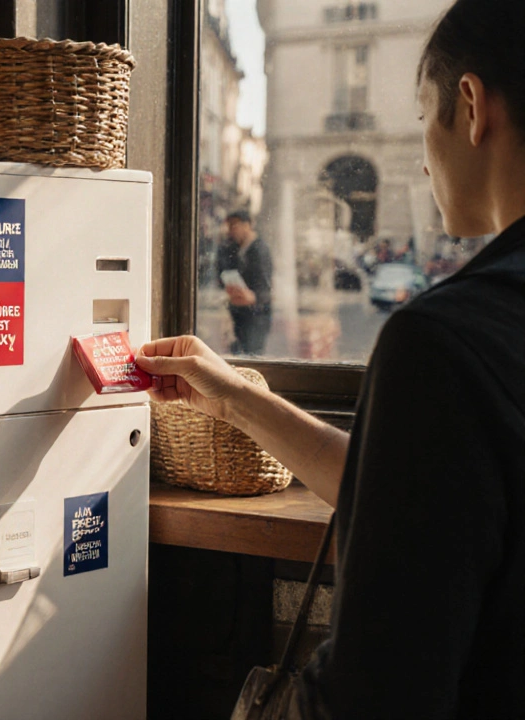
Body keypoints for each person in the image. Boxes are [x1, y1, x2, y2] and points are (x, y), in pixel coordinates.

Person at [136, 0, 525, 716]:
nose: (423, 148)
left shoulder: (442, 341)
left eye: (422, 114)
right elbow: (419, 495)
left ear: (470, 106)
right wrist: (236, 399)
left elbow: (375, 691)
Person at [216, 210, 274, 355]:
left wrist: (252, 297)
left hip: (256, 315)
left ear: (247, 225)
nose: (231, 231)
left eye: (234, 225)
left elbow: (265, 287)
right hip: (238, 313)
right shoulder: (233, 248)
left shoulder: (260, 250)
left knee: (253, 354)